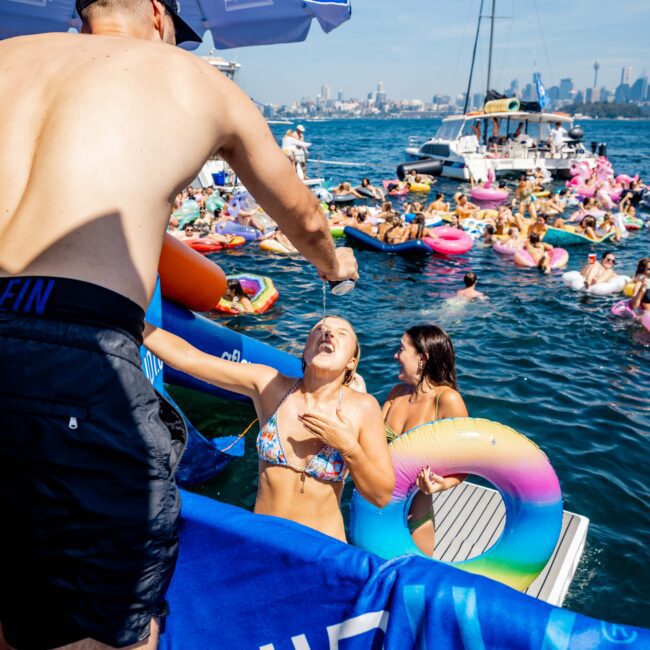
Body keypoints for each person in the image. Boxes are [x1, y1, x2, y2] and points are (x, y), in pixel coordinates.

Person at [0, 2, 359, 648]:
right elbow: (303, 217)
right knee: (106, 630)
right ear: (160, 17)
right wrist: (336, 264)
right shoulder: (189, 80)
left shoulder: (8, 58)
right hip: (82, 356)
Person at [144, 316, 394, 538]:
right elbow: (189, 359)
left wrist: (348, 447)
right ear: (305, 351)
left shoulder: (363, 408)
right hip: (263, 544)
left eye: (341, 333)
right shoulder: (270, 386)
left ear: (351, 362)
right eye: (319, 329)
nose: (327, 334)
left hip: (322, 551)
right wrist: (130, 320)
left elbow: (380, 496)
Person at [382, 325, 468, 555]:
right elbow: (372, 445)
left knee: (411, 588)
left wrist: (444, 483)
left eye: (401, 349)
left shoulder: (446, 399)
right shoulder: (396, 393)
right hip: (377, 511)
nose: (395, 356)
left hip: (414, 518)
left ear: (422, 358)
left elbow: (470, 459)